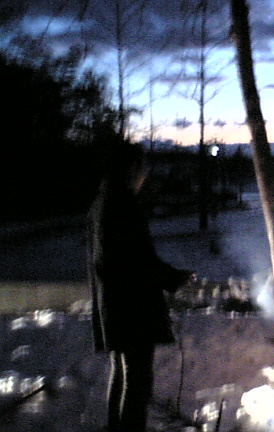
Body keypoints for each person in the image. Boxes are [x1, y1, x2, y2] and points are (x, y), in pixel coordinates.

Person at [87, 141, 194, 432]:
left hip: (114, 305)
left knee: (122, 374)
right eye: (143, 167)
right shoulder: (121, 204)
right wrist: (174, 278)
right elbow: (138, 259)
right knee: (137, 382)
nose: (145, 175)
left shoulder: (102, 202)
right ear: (131, 168)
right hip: (131, 307)